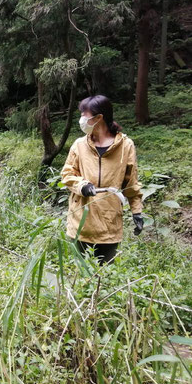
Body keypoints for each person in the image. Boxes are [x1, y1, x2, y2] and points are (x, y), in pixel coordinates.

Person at [61, 95, 144, 264]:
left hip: (109, 223)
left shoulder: (125, 146)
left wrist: (137, 211)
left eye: (84, 115)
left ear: (99, 118)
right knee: (80, 273)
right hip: (80, 222)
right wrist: (82, 185)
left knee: (105, 275)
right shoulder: (79, 145)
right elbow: (67, 175)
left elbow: (131, 183)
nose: (81, 120)